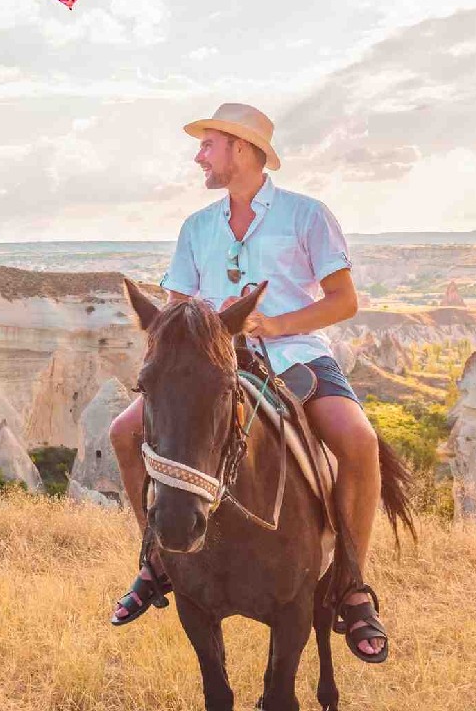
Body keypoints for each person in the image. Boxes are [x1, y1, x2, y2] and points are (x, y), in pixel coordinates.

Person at [107, 104, 391, 663]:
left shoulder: (307, 215)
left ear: (240, 148)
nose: (199, 156)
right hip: (214, 366)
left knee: (359, 441)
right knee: (123, 434)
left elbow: (345, 301)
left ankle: (352, 584)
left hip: (295, 355)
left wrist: (276, 323)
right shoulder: (197, 226)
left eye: (207, 145)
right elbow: (177, 308)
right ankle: (156, 559)